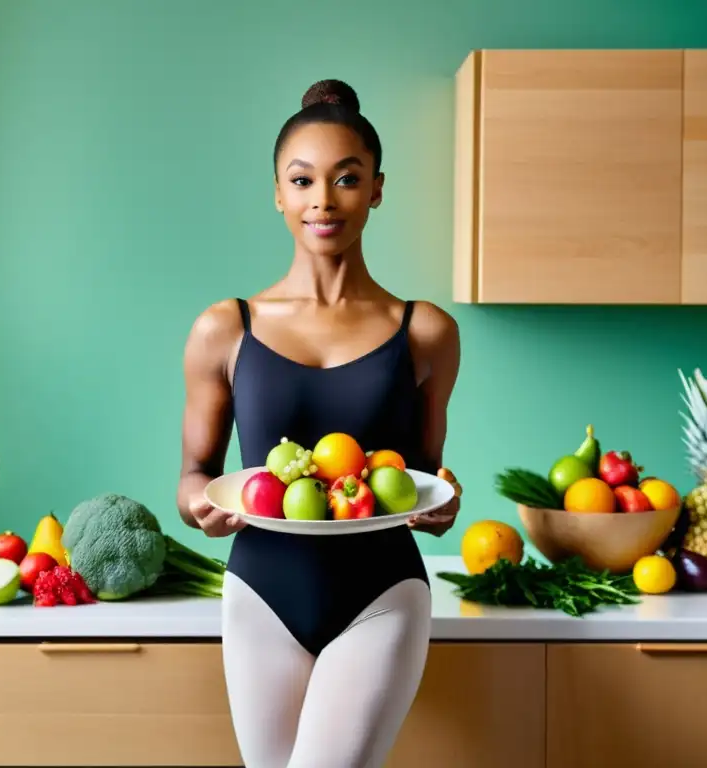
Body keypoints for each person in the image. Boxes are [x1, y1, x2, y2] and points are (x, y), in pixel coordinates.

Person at [175, 78, 463, 768]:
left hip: (383, 593)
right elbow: (195, 478)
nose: (323, 201)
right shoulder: (225, 329)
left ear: (377, 189)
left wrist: (443, 507)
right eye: (302, 181)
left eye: (347, 179)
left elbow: (423, 477)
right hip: (259, 594)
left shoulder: (425, 332)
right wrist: (198, 509)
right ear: (278, 192)